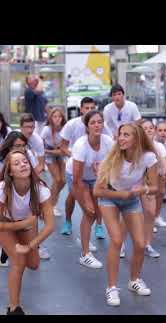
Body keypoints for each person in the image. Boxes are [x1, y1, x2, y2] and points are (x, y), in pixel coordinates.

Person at [94, 122, 159, 306]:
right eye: (120, 134)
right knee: (116, 240)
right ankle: (112, 288)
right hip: (109, 198)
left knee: (140, 243)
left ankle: (134, 280)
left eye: (126, 135)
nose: (121, 138)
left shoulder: (148, 157)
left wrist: (141, 190)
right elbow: (97, 191)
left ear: (136, 139)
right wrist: (121, 194)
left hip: (131, 199)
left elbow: (154, 188)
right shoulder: (112, 157)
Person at [0, 149, 54, 315]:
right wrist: (23, 224)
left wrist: (30, 245)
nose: (23, 165)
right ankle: (14, 307)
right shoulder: (3, 189)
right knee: (18, 261)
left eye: (25, 161)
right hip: (5, 225)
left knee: (33, 264)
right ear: (10, 172)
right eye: (17, 163)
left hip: (26, 225)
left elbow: (50, 226)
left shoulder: (40, 188)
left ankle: (10, 247)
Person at [66, 110, 113, 268]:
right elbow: (78, 179)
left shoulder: (108, 142)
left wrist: (100, 171)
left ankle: (84, 237)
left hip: (95, 177)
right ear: (87, 127)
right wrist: (87, 200)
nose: (97, 125)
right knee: (89, 211)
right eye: (92, 122)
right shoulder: (81, 145)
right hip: (76, 178)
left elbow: (111, 166)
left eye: (99, 121)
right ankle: (85, 254)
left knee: (97, 211)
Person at [59, 97, 110, 238]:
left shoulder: (105, 135)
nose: (97, 125)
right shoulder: (72, 126)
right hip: (76, 170)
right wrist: (76, 158)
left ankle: (99, 226)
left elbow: (113, 155)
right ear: (81, 109)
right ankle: (68, 222)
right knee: (80, 202)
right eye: (86, 108)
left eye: (92, 108)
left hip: (94, 172)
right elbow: (62, 146)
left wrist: (102, 167)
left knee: (97, 199)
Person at [0, 131, 44, 265]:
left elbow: (36, 174)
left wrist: (40, 194)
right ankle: (6, 245)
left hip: (25, 186)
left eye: (23, 145)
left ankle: (34, 244)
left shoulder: (28, 154)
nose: (21, 149)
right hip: (7, 187)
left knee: (32, 214)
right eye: (17, 146)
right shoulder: (1, 157)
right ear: (9, 146)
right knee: (8, 216)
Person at [139, 119, 166, 257]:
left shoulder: (159, 147)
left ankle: (147, 244)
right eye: (145, 128)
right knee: (129, 215)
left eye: (151, 128)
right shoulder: (134, 146)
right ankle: (121, 246)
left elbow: (163, 169)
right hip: (133, 183)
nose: (149, 130)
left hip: (150, 184)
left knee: (150, 213)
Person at [40, 108, 66, 217]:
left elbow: (64, 148)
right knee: (57, 179)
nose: (57, 119)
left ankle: (48, 201)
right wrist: (44, 153)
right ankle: (51, 205)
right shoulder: (47, 129)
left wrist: (55, 151)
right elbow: (40, 144)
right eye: (55, 116)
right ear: (51, 118)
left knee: (63, 181)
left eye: (59, 117)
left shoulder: (65, 129)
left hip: (59, 153)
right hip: (49, 154)